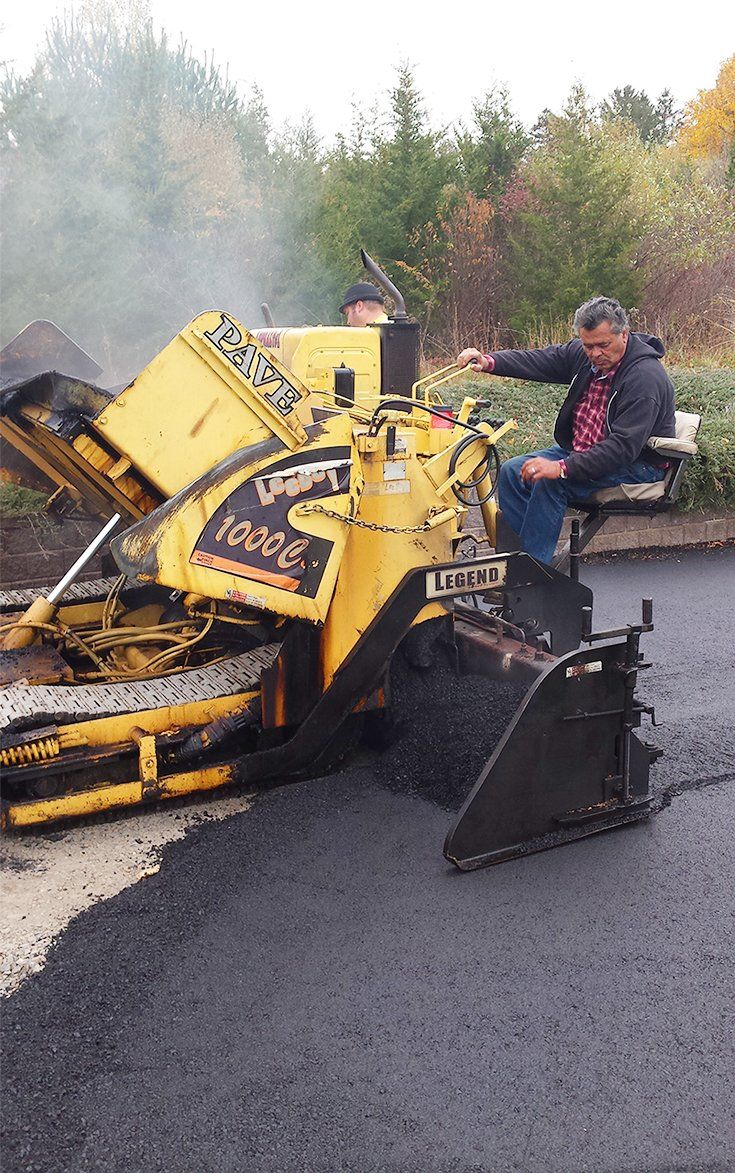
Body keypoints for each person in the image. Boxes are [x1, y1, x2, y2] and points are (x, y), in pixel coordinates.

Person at [457, 296, 676, 564]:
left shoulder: (644, 377)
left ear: (624, 335)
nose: (595, 354)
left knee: (551, 481)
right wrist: (490, 361)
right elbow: (541, 359)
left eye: (603, 345)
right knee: (513, 472)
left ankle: (532, 576)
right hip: (583, 452)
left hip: (636, 464)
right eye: (588, 346)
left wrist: (561, 468)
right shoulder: (586, 357)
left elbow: (622, 448)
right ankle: (513, 561)